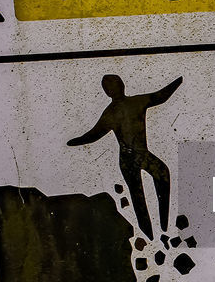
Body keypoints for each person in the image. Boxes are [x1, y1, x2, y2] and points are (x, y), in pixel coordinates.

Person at [67, 73, 183, 238]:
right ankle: (148, 233)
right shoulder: (110, 113)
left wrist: (180, 80)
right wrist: (75, 141)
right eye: (111, 86)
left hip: (142, 154)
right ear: (108, 91)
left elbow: (161, 96)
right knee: (137, 195)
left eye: (117, 83)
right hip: (127, 159)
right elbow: (93, 135)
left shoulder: (137, 102)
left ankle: (163, 224)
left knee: (162, 173)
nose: (116, 87)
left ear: (122, 85)